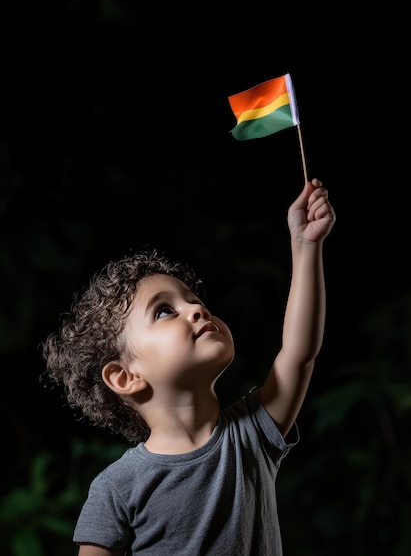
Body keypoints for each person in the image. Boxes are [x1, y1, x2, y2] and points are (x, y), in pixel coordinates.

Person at [41, 177, 336, 556]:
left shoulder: (251, 436)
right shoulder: (117, 487)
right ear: (125, 377)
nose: (197, 309)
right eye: (165, 311)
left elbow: (299, 352)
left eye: (194, 301)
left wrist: (306, 246)